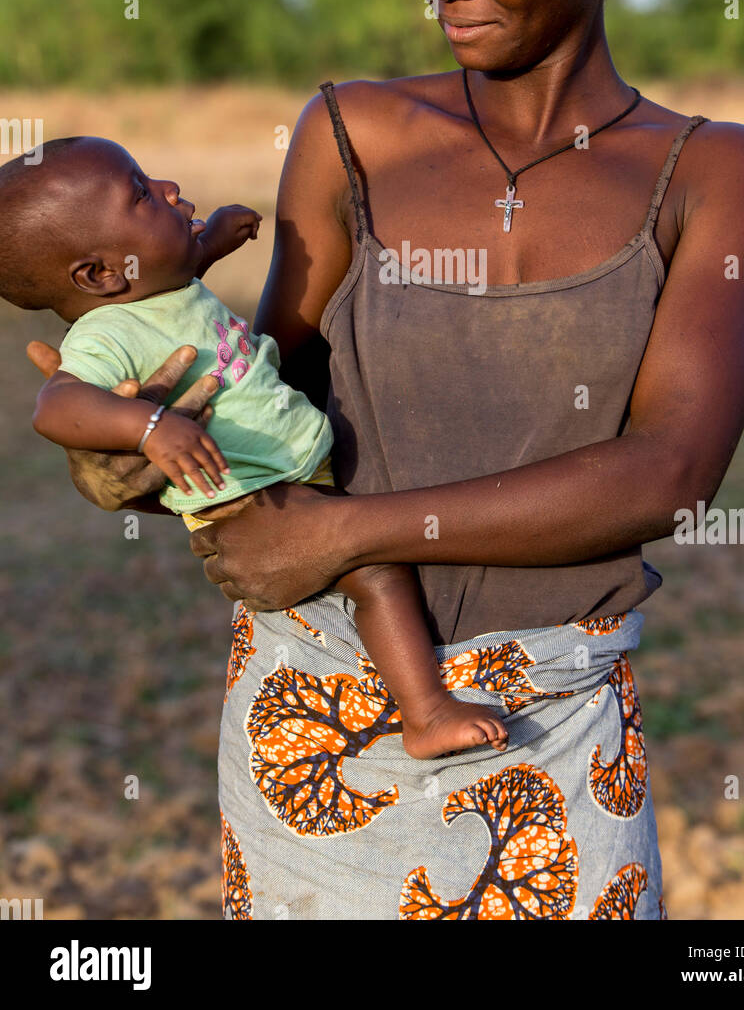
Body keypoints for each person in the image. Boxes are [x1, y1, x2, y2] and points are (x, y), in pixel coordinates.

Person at [24, 0, 744, 920]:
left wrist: (345, 532)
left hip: (560, 709)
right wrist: (113, 444)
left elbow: (668, 471)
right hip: (319, 702)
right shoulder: (350, 134)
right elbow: (260, 386)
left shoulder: (710, 171)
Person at [0, 137, 508, 757]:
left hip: (286, 464)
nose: (165, 187)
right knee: (374, 570)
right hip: (255, 497)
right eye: (140, 193)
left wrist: (210, 239)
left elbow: (183, 287)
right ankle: (425, 712)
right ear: (101, 275)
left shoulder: (156, 289)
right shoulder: (105, 336)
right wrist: (150, 428)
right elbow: (56, 406)